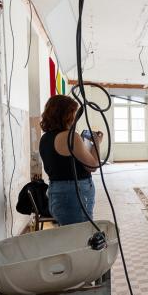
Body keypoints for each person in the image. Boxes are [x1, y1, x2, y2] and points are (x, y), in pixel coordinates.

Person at [38, 95, 102, 226]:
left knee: (68, 232)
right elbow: (93, 166)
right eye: (73, 113)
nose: (75, 118)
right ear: (66, 115)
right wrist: (96, 143)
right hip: (75, 194)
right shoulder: (71, 137)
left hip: (56, 192)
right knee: (80, 232)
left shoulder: (45, 138)